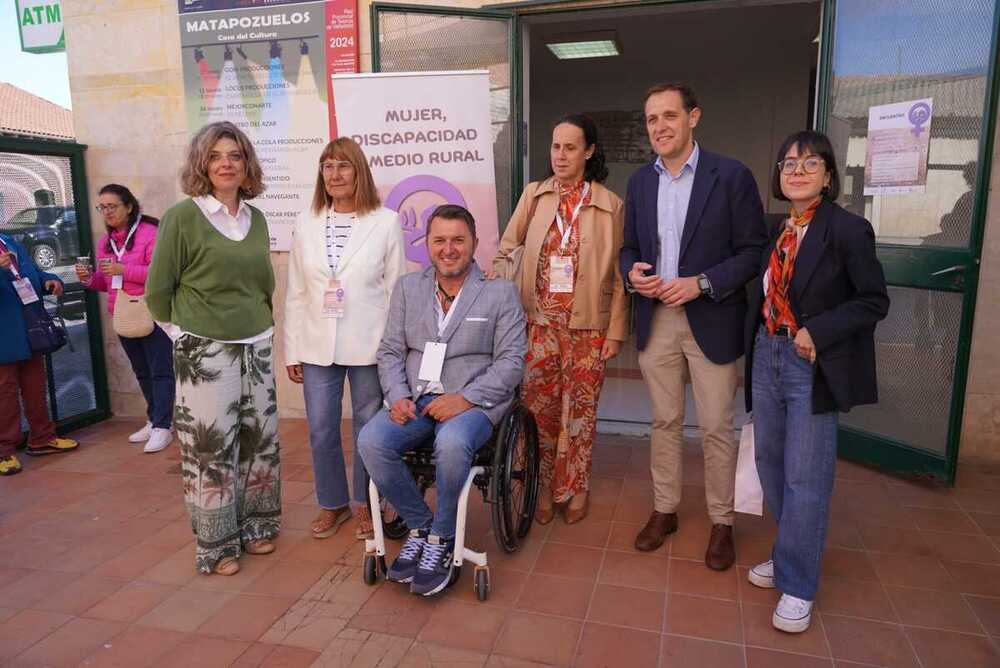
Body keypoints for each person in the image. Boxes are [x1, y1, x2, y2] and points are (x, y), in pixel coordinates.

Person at [619, 82, 767, 569]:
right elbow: (629, 249)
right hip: (656, 318)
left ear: (693, 118)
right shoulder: (641, 183)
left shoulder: (732, 176)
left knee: (715, 427)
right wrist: (631, 272)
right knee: (662, 422)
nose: (659, 127)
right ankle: (665, 510)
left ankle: (722, 521)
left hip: (711, 318)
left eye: (669, 116)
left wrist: (701, 283)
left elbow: (752, 253)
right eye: (651, 119)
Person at [745, 130, 888, 633]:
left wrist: (818, 331)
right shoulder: (776, 230)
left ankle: (799, 584)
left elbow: (874, 301)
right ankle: (790, 555)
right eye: (788, 164)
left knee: (806, 476)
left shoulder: (848, 230)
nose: (796, 171)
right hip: (767, 353)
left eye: (809, 163)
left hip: (811, 363)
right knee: (770, 464)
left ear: (829, 175)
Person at [357, 204, 526, 597]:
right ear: (427, 245)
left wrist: (465, 398)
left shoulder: (499, 293)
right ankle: (420, 524)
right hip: (415, 400)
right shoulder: (408, 288)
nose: (448, 249)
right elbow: (390, 351)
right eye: (439, 240)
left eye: (457, 240)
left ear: (474, 244)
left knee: (451, 443)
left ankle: (442, 537)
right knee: (371, 441)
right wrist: (397, 395)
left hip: (474, 404)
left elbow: (512, 361)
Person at [146, 121, 279, 576]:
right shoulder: (183, 217)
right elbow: (158, 289)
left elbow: (264, 283)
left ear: (247, 166)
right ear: (203, 164)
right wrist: (184, 337)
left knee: (260, 442)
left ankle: (257, 526)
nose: (226, 163)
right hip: (204, 350)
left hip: (257, 344)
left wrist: (262, 326)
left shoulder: (256, 218)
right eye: (217, 155)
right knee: (210, 449)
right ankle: (218, 544)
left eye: (235, 155)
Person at [493, 114, 627, 525]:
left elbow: (622, 274)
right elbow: (505, 249)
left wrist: (616, 331)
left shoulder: (610, 205)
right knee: (539, 410)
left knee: (581, 413)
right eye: (555, 146)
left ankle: (576, 486)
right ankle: (543, 483)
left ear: (589, 152)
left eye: (571, 147)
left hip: (588, 328)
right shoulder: (534, 195)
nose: (561, 155)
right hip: (539, 326)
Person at [284, 137, 406, 541]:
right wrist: (292, 348)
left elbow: (395, 291)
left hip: (369, 345)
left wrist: (396, 352)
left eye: (343, 166)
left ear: (359, 172)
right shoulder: (306, 222)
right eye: (327, 166)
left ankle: (365, 504)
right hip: (317, 343)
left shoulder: (385, 222)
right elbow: (297, 290)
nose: (334, 174)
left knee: (368, 430)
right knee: (320, 428)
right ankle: (332, 502)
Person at [77, 184, 175, 454]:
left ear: (128, 206)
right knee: (142, 371)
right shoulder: (105, 242)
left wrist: (123, 268)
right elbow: (107, 283)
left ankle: (164, 426)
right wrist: (89, 279)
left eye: (112, 206)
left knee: (161, 371)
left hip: (152, 312)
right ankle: (154, 419)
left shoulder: (150, 233)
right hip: (123, 314)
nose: (106, 212)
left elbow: (160, 275)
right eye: (102, 207)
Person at [0, 234, 78, 475]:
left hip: (28, 328)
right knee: (5, 393)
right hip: (3, 333)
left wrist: (49, 280)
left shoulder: (6, 239)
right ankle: (4, 452)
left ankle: (42, 438)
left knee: (36, 386)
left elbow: (29, 272)